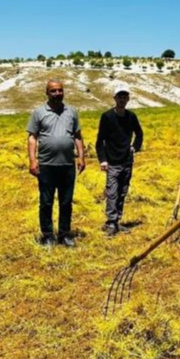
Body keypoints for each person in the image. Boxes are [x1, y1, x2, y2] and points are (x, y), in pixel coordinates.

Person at [27, 80, 86, 247]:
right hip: (46, 165)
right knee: (46, 201)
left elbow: (77, 135)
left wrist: (81, 157)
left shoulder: (72, 112)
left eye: (60, 90)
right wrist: (32, 160)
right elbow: (32, 137)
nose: (57, 94)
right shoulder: (39, 113)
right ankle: (47, 235)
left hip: (67, 165)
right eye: (53, 91)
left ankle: (65, 234)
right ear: (47, 93)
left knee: (66, 202)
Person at [95, 85, 143, 235]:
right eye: (119, 96)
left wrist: (135, 147)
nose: (122, 99)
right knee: (112, 193)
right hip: (112, 162)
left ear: (128, 98)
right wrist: (103, 160)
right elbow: (99, 141)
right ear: (114, 98)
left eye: (125, 96)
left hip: (127, 161)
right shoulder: (107, 117)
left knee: (122, 191)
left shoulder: (131, 116)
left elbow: (139, 134)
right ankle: (110, 222)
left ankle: (117, 221)